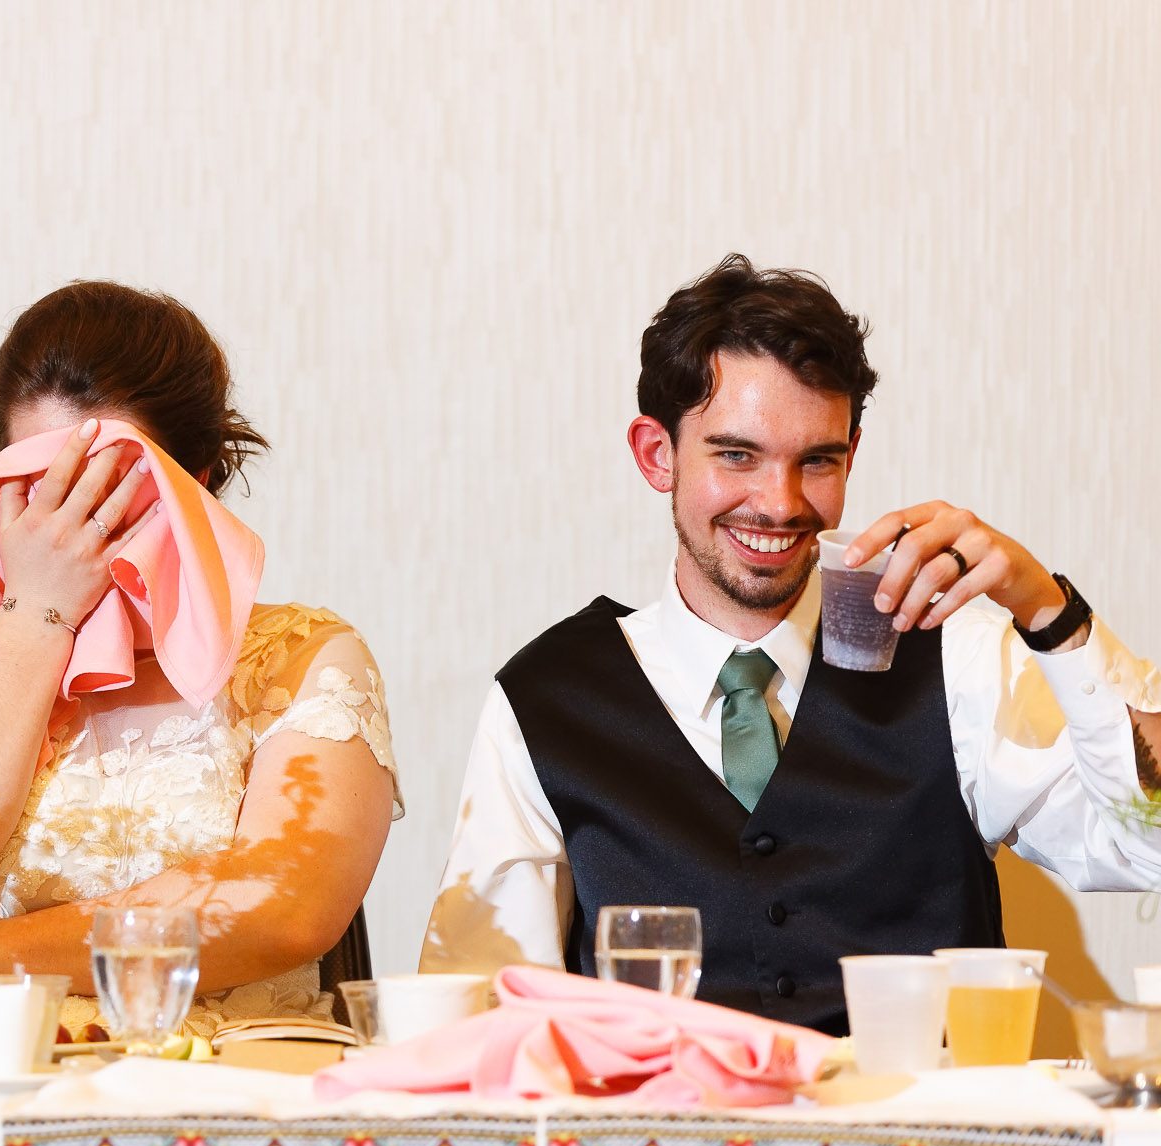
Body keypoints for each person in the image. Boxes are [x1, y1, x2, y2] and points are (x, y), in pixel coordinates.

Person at [423, 254, 1161, 1034]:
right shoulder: (545, 701)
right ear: (656, 454)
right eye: (736, 455)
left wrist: (1047, 609)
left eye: (818, 460)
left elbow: (1146, 845)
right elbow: (482, 1019)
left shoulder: (955, 652)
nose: (779, 503)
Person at [0, 281, 399, 1035]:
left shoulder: (302, 658)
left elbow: (286, 911)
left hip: (231, 1108)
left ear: (194, 484)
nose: (67, 520)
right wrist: (38, 611)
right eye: (37, 486)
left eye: (107, 484)